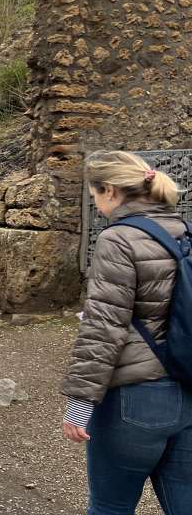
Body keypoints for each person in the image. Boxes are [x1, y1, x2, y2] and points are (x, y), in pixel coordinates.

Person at [61, 150, 191, 514]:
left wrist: (79, 405)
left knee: (110, 506)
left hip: (137, 399)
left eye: (95, 196)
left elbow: (104, 327)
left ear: (111, 191)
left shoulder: (118, 239)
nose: (98, 205)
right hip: (187, 389)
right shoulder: (185, 232)